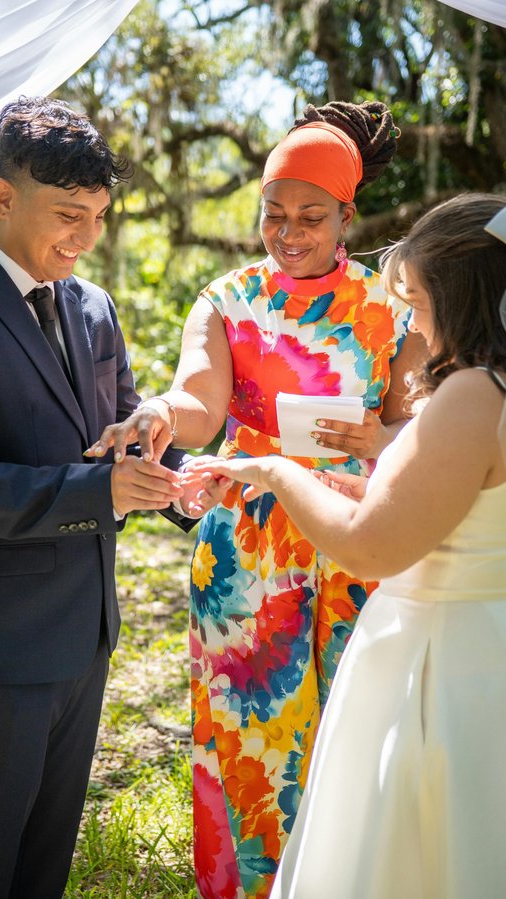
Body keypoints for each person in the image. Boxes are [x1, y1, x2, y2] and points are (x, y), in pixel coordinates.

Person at [86, 100, 427, 898]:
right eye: (274, 215)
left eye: (312, 216)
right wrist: (163, 414)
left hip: (361, 538)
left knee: (359, 733)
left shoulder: (393, 309)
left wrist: (381, 435)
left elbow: (420, 421)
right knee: (251, 746)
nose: (290, 232)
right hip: (248, 550)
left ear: (348, 215)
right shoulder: (229, 300)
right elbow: (198, 400)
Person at [0, 96, 224, 899]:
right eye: (68, 215)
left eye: (99, 217)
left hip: (86, 635)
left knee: (43, 868)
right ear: (3, 197)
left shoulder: (92, 305)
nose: (85, 237)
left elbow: (125, 424)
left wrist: (188, 477)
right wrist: (99, 489)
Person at [188, 192, 506, 899]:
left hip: (441, 660)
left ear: (465, 297)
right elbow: (448, 508)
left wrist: (275, 471)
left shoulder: (474, 394)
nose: (415, 326)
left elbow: (369, 551)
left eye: (420, 301)